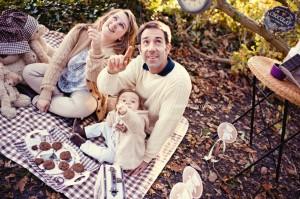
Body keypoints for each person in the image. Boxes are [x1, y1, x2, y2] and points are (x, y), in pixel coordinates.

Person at [97, 21, 192, 175]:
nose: (151, 48)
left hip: (148, 127)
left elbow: (166, 123)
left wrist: (147, 157)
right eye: (146, 42)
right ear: (140, 49)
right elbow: (108, 89)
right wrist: (111, 72)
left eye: (158, 41)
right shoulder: (140, 62)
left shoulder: (179, 81)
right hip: (133, 115)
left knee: (123, 158)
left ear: (167, 48)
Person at [22, 9, 138, 120]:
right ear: (107, 18)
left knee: (85, 108)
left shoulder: (115, 58)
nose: (114, 24)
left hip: (84, 91)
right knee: (29, 71)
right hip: (63, 75)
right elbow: (58, 61)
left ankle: (39, 100)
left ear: (122, 36)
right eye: (114, 18)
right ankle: (58, 99)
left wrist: (96, 50)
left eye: (121, 25)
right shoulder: (81, 31)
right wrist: (46, 93)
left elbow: (95, 80)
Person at [70, 89, 149, 170]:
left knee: (103, 154)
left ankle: (83, 145)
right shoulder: (118, 113)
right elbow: (109, 122)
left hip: (123, 156)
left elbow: (135, 122)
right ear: (118, 103)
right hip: (114, 140)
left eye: (133, 101)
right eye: (124, 100)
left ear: (139, 107)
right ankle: (84, 132)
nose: (127, 103)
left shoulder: (139, 119)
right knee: (104, 125)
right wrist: (116, 113)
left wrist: (126, 113)